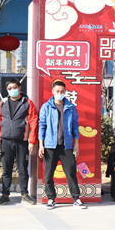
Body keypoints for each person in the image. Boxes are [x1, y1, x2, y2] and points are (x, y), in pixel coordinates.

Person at [38, 80, 85, 209]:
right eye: (57, 91)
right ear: (52, 91)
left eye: (62, 91)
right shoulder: (46, 107)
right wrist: (41, 145)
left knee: (71, 172)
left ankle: (76, 198)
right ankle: (51, 199)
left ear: (65, 92)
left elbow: (75, 126)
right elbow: (41, 126)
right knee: (48, 174)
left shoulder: (70, 107)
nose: (60, 93)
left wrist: (76, 144)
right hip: (50, 145)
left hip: (67, 145)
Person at [0, 78, 38, 205]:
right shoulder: (3, 103)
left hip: (22, 141)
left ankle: (24, 194)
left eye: (14, 87)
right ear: (7, 90)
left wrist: (32, 141)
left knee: (23, 169)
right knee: (6, 170)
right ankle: (5, 195)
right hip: (5, 141)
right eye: (10, 88)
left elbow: (34, 122)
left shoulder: (27, 102)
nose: (12, 90)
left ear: (19, 88)